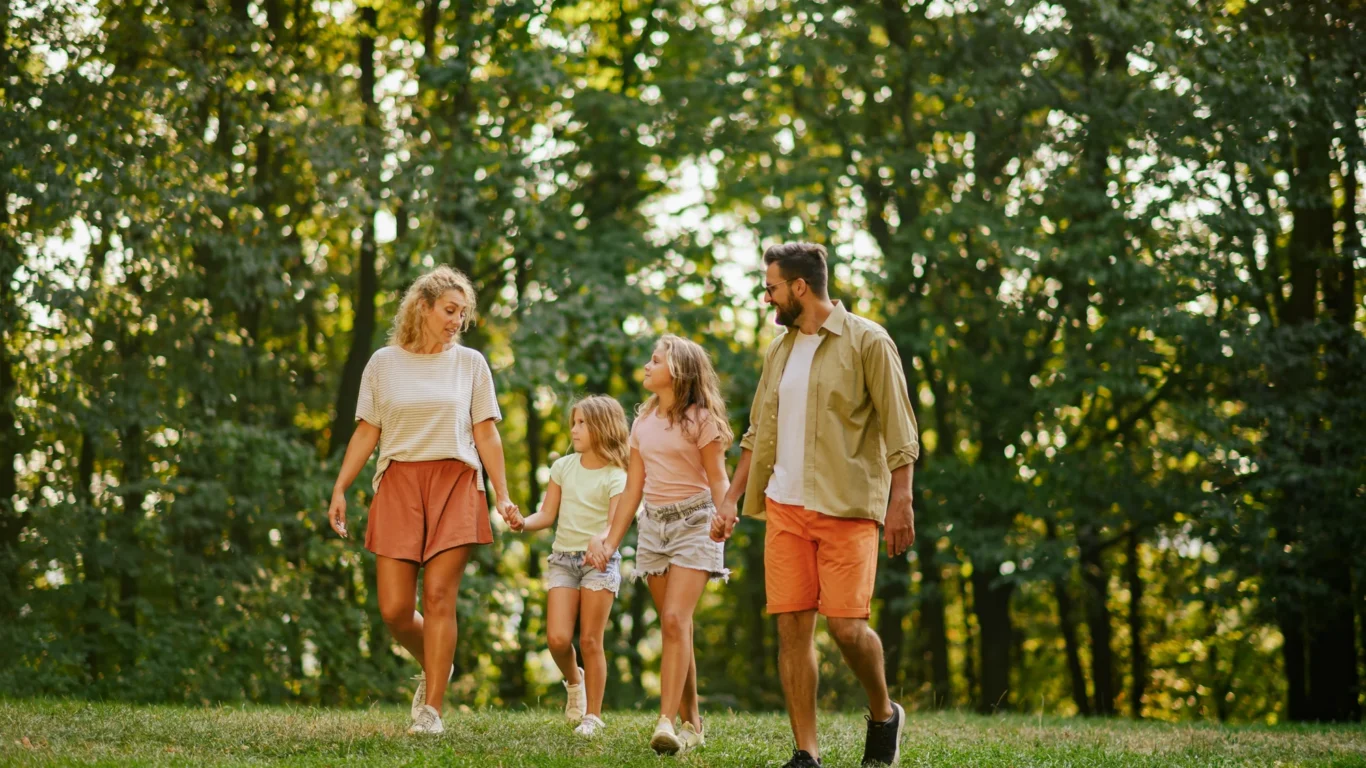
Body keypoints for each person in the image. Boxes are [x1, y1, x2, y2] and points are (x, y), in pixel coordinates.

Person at [712, 242, 919, 768]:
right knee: (791, 629)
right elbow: (758, 433)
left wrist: (902, 501)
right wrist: (733, 498)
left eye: (772, 287)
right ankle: (806, 753)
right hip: (784, 507)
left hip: (846, 508)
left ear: (799, 288)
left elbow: (900, 428)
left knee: (847, 629)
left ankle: (884, 712)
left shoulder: (868, 341)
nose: (767, 298)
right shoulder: (779, 351)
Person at [327, 265, 519, 736]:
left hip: (456, 480)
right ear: (423, 307)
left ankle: (431, 710)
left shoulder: (470, 364)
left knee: (438, 597)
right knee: (393, 609)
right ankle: (437, 662)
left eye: (463, 314)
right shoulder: (383, 363)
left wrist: (502, 492)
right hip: (398, 482)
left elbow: (486, 433)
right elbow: (367, 430)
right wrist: (339, 487)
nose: (457, 321)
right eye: (450, 311)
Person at [587, 335, 732, 755]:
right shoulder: (643, 421)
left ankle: (666, 721)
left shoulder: (702, 420)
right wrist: (611, 541)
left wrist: (726, 511)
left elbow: (718, 476)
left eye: (656, 360)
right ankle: (693, 724)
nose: (647, 366)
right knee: (676, 627)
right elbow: (634, 488)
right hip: (654, 527)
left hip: (696, 522)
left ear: (679, 371)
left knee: (673, 620)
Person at [503, 395, 630, 739]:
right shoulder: (563, 467)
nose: (573, 429)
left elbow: (615, 523)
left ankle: (593, 716)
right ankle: (576, 682)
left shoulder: (617, 474)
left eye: (582, 423)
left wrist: (599, 542)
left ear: (603, 427)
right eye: (573, 422)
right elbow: (546, 515)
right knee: (558, 639)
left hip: (599, 562)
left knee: (591, 639)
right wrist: (521, 523)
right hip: (563, 559)